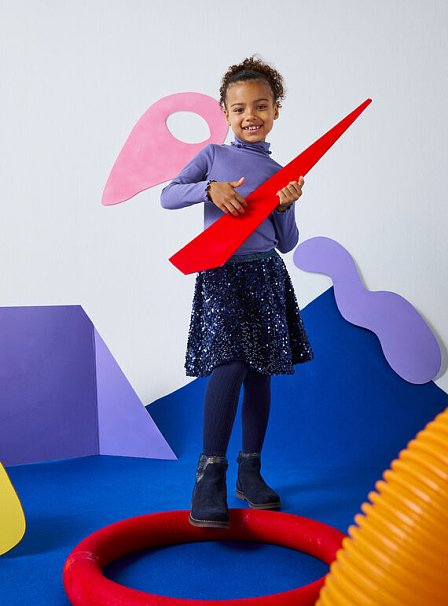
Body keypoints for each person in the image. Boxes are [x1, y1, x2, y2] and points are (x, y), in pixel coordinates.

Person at [160, 55, 313, 528]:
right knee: (229, 364)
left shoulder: (282, 170)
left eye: (261, 106)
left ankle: (250, 472)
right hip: (222, 274)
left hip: (265, 275)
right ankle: (209, 477)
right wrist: (210, 189)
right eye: (240, 108)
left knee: (260, 373)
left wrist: (286, 206)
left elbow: (286, 243)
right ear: (225, 112)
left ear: (275, 110)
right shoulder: (212, 157)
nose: (251, 115)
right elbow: (168, 195)